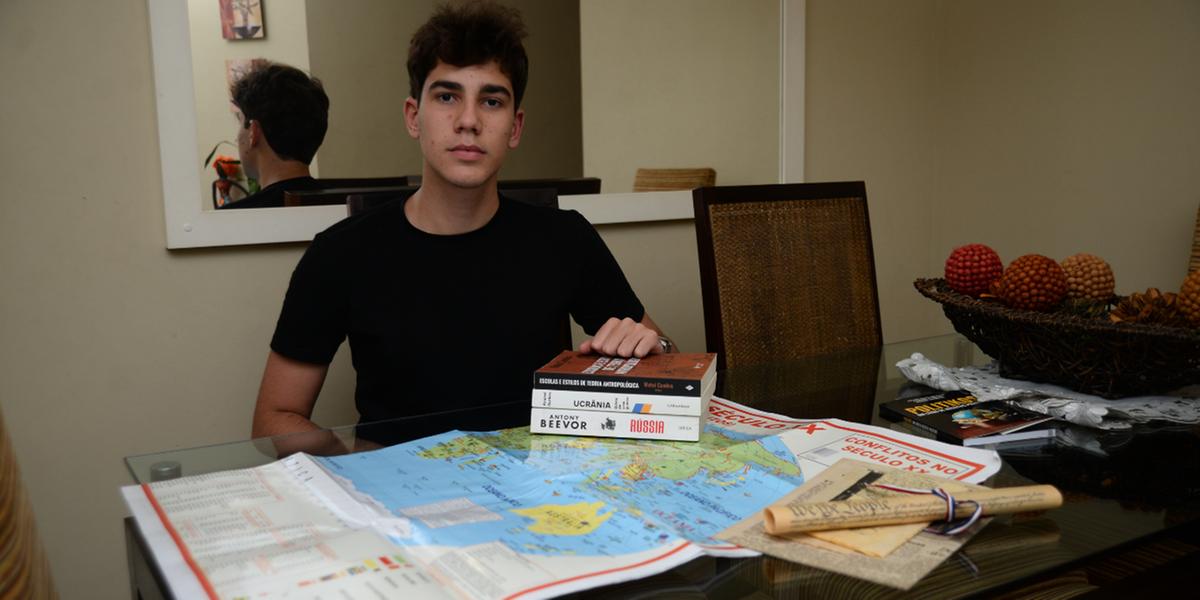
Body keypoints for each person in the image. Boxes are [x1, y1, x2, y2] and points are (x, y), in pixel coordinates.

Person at [251, 1, 674, 444]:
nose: (469, 121)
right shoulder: (339, 253)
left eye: (491, 101)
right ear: (414, 117)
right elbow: (274, 418)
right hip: (397, 482)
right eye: (447, 97)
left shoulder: (566, 239)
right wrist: (349, 466)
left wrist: (655, 348)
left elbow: (671, 364)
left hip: (539, 481)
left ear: (515, 127)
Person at [218, 62, 330, 209]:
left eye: (240, 120)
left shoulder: (231, 217)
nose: (237, 137)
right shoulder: (346, 205)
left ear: (253, 132)